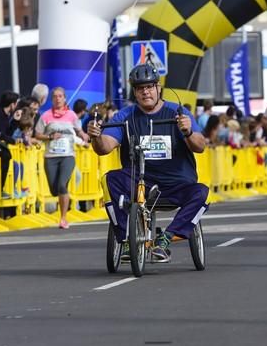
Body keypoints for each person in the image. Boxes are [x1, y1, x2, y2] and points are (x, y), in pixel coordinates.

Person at [87, 63, 208, 263]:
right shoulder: (125, 116)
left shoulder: (177, 113)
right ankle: (125, 239)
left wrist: (187, 131)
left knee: (201, 193)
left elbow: (200, 146)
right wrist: (96, 137)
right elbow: (105, 148)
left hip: (176, 182)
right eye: (140, 88)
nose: (145, 92)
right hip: (139, 181)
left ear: (158, 88)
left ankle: (166, 239)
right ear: (134, 92)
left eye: (150, 86)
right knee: (109, 179)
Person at [35, 87, 88, 229]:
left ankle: (63, 218)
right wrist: (50, 136)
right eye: (55, 96)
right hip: (51, 156)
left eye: (60, 96)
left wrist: (84, 136)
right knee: (54, 189)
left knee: (62, 185)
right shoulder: (45, 116)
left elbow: (79, 130)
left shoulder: (72, 115)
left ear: (64, 98)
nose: (58, 99)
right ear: (52, 99)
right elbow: (37, 134)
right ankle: (62, 205)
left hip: (67, 156)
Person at [0, 91, 20, 198]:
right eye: (16, 104)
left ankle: (0, 188)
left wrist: (15, 121)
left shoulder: (6, 116)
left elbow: (7, 134)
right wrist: (13, 141)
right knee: (6, 155)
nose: (16, 107)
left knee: (7, 156)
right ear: (11, 104)